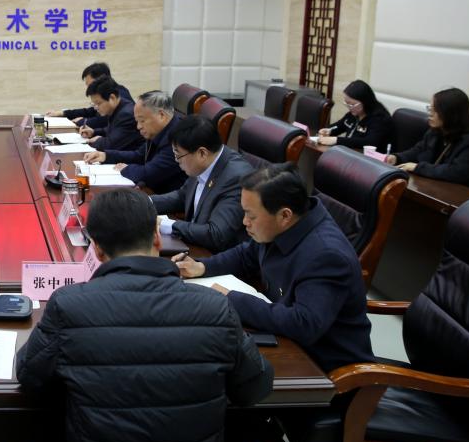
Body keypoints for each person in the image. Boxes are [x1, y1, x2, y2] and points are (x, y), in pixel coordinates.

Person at [16, 189, 273, 442]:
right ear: (156, 236)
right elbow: (256, 386)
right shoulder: (215, 308)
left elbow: (30, 375)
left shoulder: (69, 306)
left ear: (97, 249)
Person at [173, 163, 373, 372]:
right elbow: (246, 255)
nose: (244, 222)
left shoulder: (326, 255)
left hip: (325, 368)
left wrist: (231, 298)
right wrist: (202, 267)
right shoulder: (282, 226)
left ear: (285, 215)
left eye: (251, 216)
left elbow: (303, 324)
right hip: (285, 338)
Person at [151, 115, 253, 253]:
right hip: (192, 244)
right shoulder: (205, 163)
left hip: (215, 256)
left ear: (202, 153)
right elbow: (182, 196)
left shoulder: (236, 178)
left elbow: (216, 234)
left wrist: (165, 224)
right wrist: (144, 202)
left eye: (178, 155)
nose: (176, 160)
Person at [84, 90, 186, 194]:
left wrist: (126, 169)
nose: (138, 126)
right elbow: (138, 155)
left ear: (161, 115)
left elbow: (149, 174)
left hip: (167, 198)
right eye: (137, 121)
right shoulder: (158, 131)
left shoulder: (178, 137)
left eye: (142, 121)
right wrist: (106, 156)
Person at [385, 87, 469, 190]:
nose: (430, 113)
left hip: (459, 195)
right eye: (430, 108)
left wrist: (417, 167)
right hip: (433, 188)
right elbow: (418, 151)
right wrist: (397, 158)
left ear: (451, 114)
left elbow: (455, 172)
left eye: (435, 110)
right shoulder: (436, 132)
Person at [46, 62, 132, 130]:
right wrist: (64, 113)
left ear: (101, 80)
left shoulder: (120, 95)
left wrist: (84, 121)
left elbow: (105, 120)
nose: (88, 89)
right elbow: (91, 111)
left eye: (90, 85)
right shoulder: (110, 92)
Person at [317, 80, 393, 150]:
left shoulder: (380, 118)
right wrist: (329, 130)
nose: (349, 107)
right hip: (352, 153)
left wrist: (337, 140)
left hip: (370, 157)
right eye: (347, 103)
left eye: (352, 104)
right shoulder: (354, 113)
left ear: (365, 101)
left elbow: (369, 142)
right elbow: (340, 125)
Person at [76, 76, 143, 152]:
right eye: (94, 104)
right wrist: (93, 132)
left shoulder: (126, 114)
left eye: (98, 103)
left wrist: (97, 141)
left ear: (112, 98)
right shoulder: (119, 107)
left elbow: (110, 145)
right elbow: (112, 130)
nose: (96, 108)